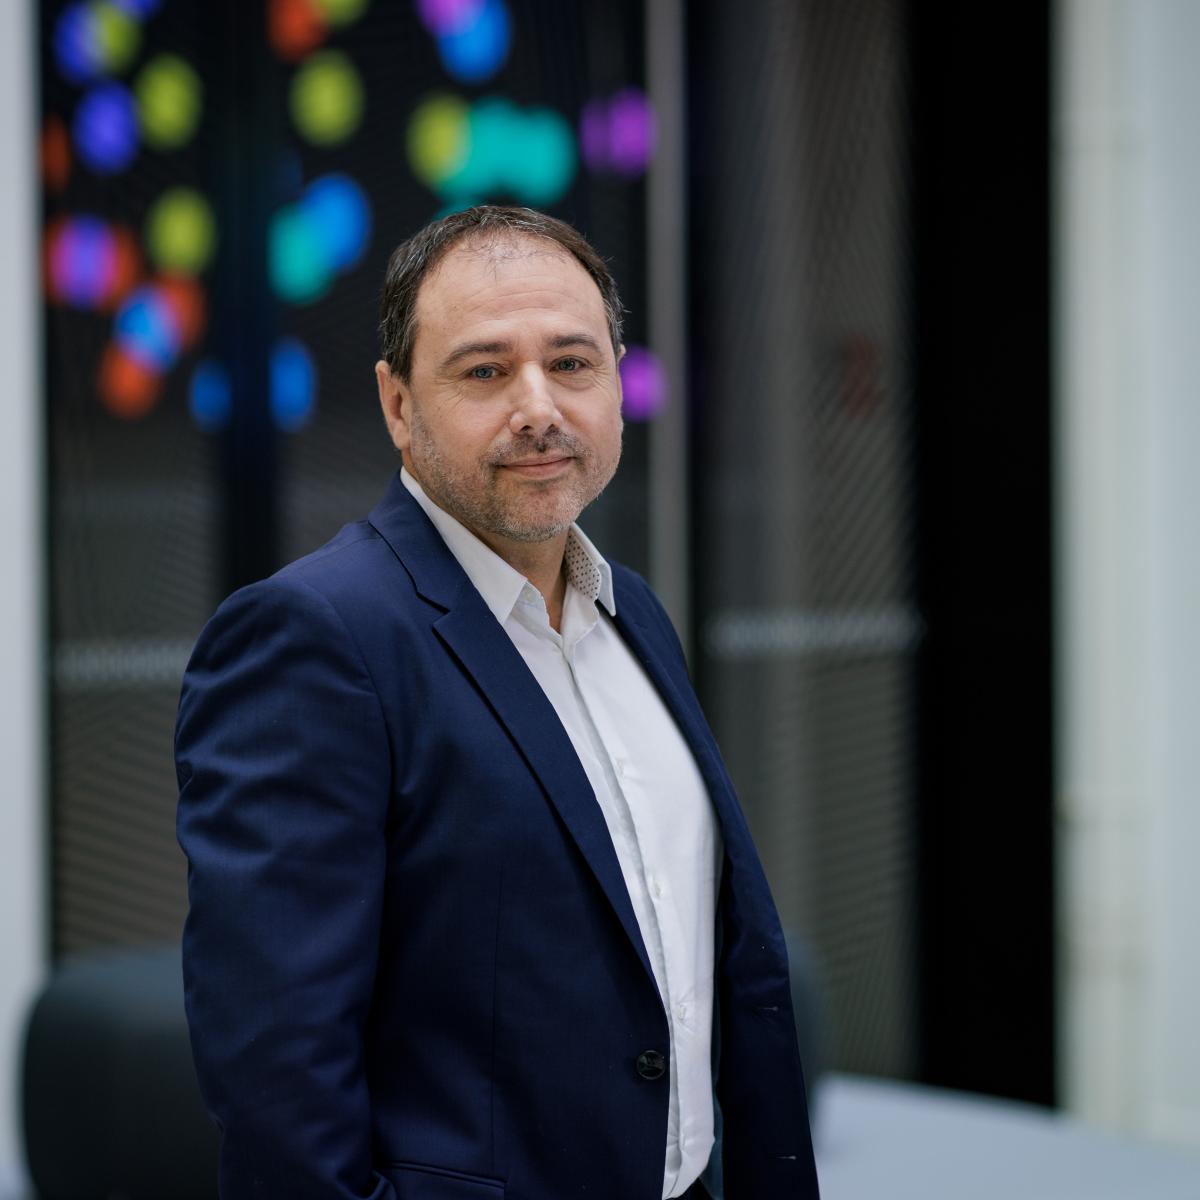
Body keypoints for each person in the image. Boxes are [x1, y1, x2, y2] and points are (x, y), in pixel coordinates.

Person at [175, 205, 819, 1200]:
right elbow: (277, 1075)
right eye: (484, 372)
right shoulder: (313, 638)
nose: (538, 407)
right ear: (398, 405)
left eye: (572, 363)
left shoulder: (631, 612)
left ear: (618, 381)